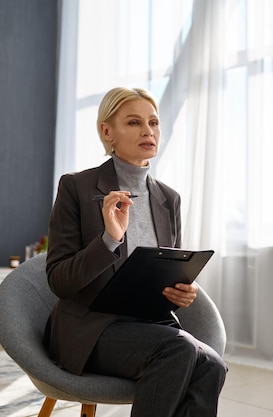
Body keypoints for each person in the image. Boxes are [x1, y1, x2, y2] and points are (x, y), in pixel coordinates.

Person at [46, 87, 227, 416]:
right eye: (134, 122)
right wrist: (109, 240)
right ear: (107, 131)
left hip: (151, 324)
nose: (148, 131)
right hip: (91, 330)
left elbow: (163, 270)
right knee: (178, 348)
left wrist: (180, 291)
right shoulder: (76, 187)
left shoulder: (168, 199)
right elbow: (59, 281)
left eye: (154, 122)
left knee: (212, 366)